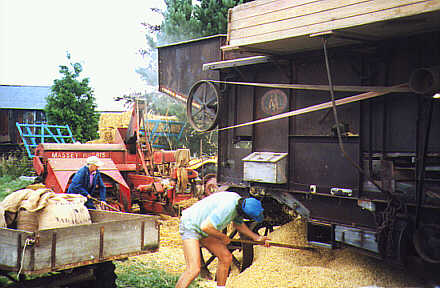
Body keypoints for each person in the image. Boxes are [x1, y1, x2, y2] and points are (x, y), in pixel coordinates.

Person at [175, 191, 270, 288]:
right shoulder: (228, 209)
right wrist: (223, 237)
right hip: (191, 225)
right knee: (194, 269)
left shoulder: (238, 202)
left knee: (226, 257)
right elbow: (206, 227)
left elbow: (238, 224)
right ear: (244, 213)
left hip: (203, 228)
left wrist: (257, 238)